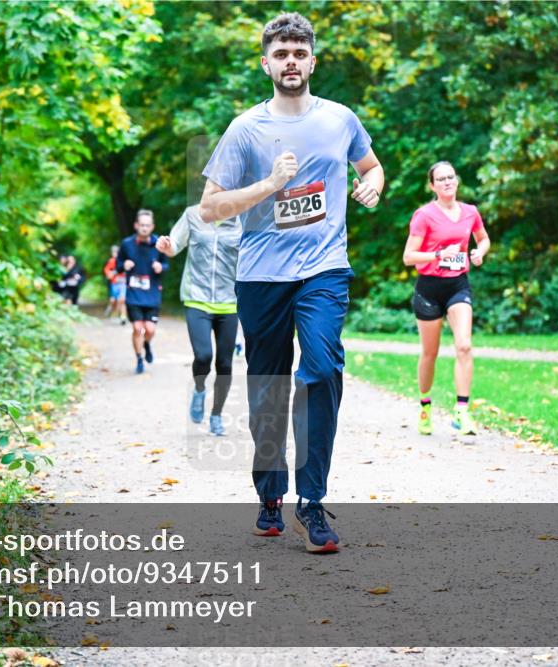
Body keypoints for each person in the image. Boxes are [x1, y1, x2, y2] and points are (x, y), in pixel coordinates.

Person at [199, 12, 384, 553]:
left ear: (313, 60)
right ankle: (270, 493)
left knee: (323, 367)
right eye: (281, 54)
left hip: (323, 269)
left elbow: (371, 166)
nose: (291, 62)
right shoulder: (245, 129)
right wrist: (269, 184)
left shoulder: (340, 119)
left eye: (300, 53)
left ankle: (312, 501)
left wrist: (370, 184)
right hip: (260, 277)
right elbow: (210, 207)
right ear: (266, 64)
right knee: (268, 392)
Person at [402, 161, 491, 437]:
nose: (447, 182)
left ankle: (462, 411)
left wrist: (479, 253)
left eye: (450, 177)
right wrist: (438, 255)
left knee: (464, 346)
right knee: (430, 353)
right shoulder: (424, 215)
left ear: (457, 181)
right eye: (440, 179)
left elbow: (483, 239)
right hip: (429, 288)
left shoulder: (470, 212)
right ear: (432, 186)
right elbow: (408, 257)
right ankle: (425, 405)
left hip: (457, 286)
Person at [156, 205, 242, 437]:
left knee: (224, 364)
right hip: (197, 299)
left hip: (229, 302)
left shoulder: (242, 217)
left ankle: (216, 415)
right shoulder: (193, 214)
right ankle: (200, 388)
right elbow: (175, 244)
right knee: (203, 355)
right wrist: (167, 246)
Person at [116, 210, 168, 374]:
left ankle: (146, 344)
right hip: (134, 293)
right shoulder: (126, 244)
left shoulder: (159, 244)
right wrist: (124, 265)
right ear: (136, 225)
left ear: (152, 227)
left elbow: (166, 265)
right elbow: (118, 264)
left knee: (150, 329)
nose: (144, 228)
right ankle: (139, 359)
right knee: (138, 328)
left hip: (152, 293)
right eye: (142, 225)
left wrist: (161, 267)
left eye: (147, 225)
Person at [102, 245, 127, 324]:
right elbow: (106, 270)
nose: (115, 254)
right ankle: (111, 308)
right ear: (112, 253)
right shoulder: (111, 261)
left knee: (122, 300)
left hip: (123, 284)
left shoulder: (124, 261)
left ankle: (123, 317)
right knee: (113, 301)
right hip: (114, 284)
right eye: (114, 252)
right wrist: (109, 274)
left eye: (117, 252)